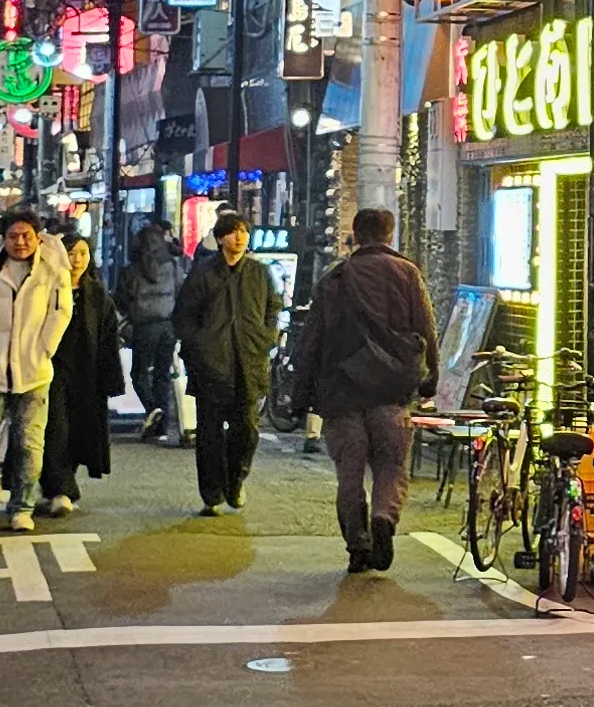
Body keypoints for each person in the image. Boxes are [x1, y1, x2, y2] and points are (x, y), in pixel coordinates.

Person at [305, 207, 440, 573]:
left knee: (349, 475)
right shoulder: (408, 274)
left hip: (342, 391)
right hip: (392, 389)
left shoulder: (335, 279)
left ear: (355, 235)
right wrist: (431, 377)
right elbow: (426, 329)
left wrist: (302, 393)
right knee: (391, 465)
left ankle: (358, 547)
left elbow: (312, 339)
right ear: (390, 235)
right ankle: (384, 518)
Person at [0, 214, 69, 531]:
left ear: (38, 238)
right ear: (3, 239)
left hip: (34, 372)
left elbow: (61, 310)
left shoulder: (51, 269)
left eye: (26, 235)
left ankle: (22, 506)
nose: (19, 242)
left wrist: (44, 348)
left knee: (28, 445)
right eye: (13, 236)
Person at [174, 214, 282, 515]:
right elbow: (183, 316)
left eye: (244, 232)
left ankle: (235, 481)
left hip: (248, 362)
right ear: (221, 238)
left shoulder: (259, 273)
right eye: (234, 232)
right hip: (211, 367)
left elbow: (273, 307)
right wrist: (199, 347)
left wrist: (266, 337)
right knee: (209, 433)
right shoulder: (204, 274)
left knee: (246, 430)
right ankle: (212, 493)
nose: (240, 237)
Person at [41, 232, 119, 518]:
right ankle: (61, 490)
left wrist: (112, 379)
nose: (77, 260)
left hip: (87, 376)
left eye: (83, 253)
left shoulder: (98, 295)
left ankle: (57, 486)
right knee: (56, 429)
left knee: (78, 432)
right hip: (51, 371)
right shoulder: (46, 290)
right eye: (71, 253)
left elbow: (109, 339)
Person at [119, 223, 187, 443]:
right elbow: (182, 292)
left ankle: (152, 408)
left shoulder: (131, 270)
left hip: (144, 327)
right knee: (162, 374)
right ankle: (163, 426)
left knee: (138, 374)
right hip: (168, 326)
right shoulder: (173, 266)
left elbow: (120, 299)